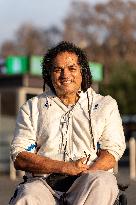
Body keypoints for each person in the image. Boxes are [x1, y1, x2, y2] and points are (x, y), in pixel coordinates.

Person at [9, 41, 126, 205]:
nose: (65, 75)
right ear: (49, 74)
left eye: (72, 68)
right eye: (58, 69)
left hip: (87, 181)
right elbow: (20, 156)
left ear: (82, 71)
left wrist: (84, 173)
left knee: (104, 182)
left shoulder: (105, 105)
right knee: (28, 195)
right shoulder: (32, 107)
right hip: (43, 184)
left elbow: (112, 151)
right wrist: (65, 167)